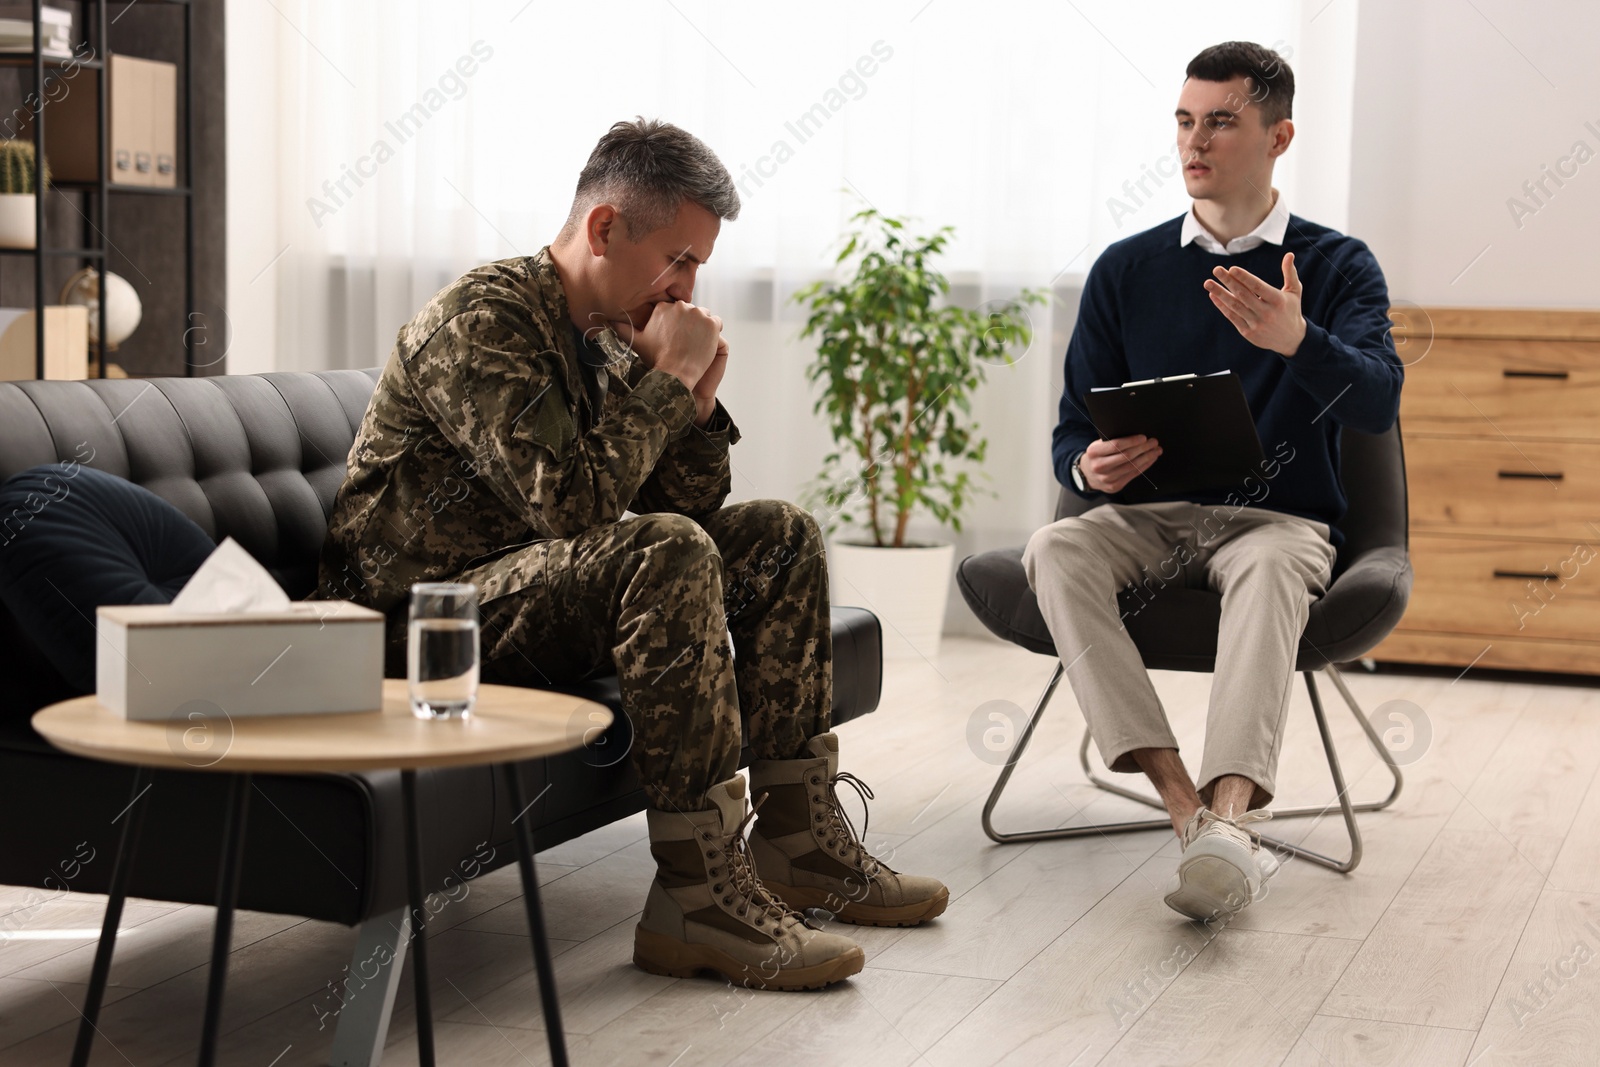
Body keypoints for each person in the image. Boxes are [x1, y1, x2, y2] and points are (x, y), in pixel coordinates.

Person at [318, 118, 947, 990]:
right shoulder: (482, 319)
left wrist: (690, 403)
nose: (688, 287)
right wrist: (662, 385)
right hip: (423, 620)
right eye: (678, 259)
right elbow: (573, 506)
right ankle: (696, 898)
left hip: (534, 590)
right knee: (664, 552)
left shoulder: (613, 329)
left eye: (698, 266)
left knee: (781, 534)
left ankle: (800, 845)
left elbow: (687, 505)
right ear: (605, 228)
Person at [1025, 42, 1402, 921]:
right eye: (1186, 122)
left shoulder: (1338, 266)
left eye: (1222, 121)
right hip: (1152, 516)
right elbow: (1071, 432)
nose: (1196, 142)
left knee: (1271, 569)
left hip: (1280, 523)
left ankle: (1232, 813)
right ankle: (1189, 810)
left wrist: (1297, 342)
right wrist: (1088, 464)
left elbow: (1379, 401)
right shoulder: (1126, 268)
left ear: (1280, 137)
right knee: (1055, 545)